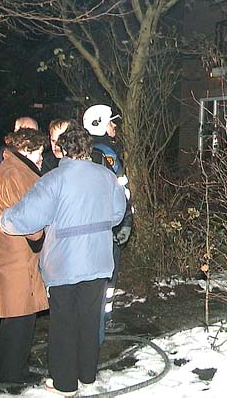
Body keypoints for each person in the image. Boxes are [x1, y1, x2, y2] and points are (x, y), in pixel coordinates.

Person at [0, 125, 126, 396]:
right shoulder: (106, 177)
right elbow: (117, 214)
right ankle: (87, 377)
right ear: (88, 149)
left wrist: (3, 218)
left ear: (62, 150)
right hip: (99, 261)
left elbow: (27, 217)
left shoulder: (54, 179)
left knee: (64, 324)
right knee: (90, 321)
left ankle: (65, 385)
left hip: (65, 265)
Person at [0, 128, 49, 385]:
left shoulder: (11, 168)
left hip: (10, 254)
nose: (41, 159)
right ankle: (13, 374)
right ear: (25, 149)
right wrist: (43, 234)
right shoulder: (14, 174)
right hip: (16, 258)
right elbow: (29, 220)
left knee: (13, 316)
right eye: (39, 153)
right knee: (22, 317)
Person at [82, 104, 134, 340]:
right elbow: (120, 190)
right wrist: (126, 221)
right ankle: (101, 323)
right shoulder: (106, 153)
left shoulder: (87, 150)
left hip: (97, 228)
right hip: (108, 228)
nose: (114, 126)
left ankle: (101, 320)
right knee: (107, 277)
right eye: (111, 122)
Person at [0, 117, 39, 182]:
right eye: (24, 132)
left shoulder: (42, 158)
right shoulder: (0, 156)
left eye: (33, 133)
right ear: (15, 132)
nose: (29, 137)